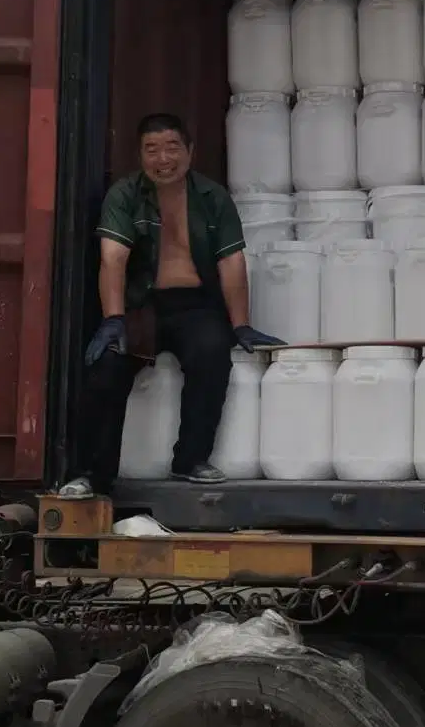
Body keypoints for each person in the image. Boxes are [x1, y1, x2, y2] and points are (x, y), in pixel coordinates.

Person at [59, 113, 280, 499]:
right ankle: (91, 475)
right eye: (152, 149)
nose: (163, 159)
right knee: (108, 365)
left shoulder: (213, 197)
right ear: (140, 155)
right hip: (142, 304)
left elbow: (232, 261)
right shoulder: (125, 194)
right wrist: (114, 319)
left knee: (212, 353)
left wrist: (240, 323)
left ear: (190, 151)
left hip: (195, 304)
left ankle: (191, 460)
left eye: (172, 147)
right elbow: (113, 258)